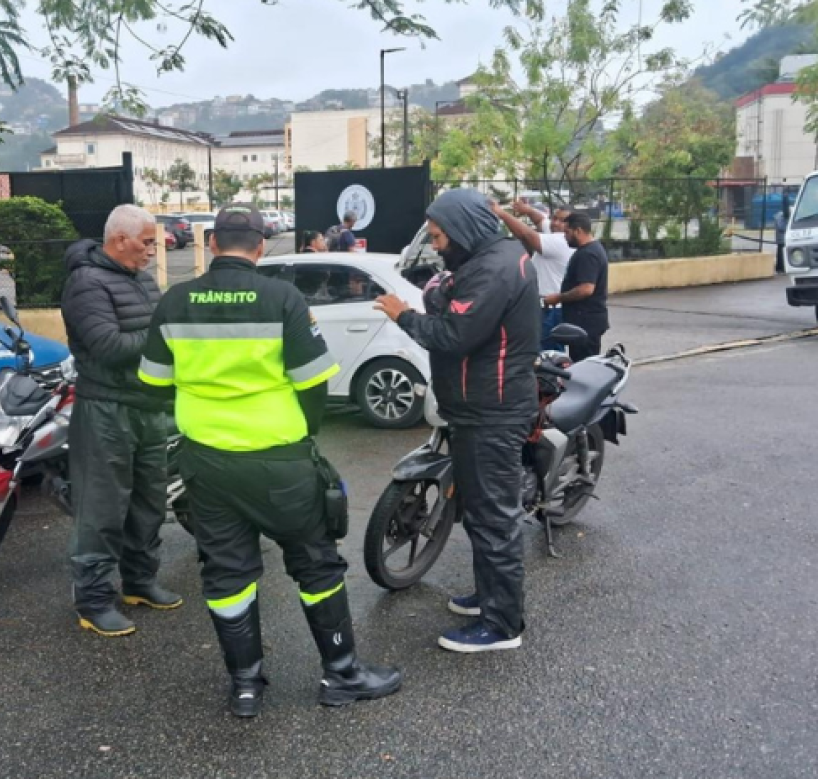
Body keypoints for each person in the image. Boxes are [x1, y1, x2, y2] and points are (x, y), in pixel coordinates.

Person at [138, 204, 400, 718]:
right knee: (315, 561)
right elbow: (313, 382)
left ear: (212, 244)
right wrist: (304, 431)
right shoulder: (282, 298)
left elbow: (153, 384)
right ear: (260, 247)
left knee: (226, 571)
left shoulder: (175, 300)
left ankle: (245, 685)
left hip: (207, 462)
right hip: (280, 459)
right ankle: (342, 674)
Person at [374, 189, 539, 654]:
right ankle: (491, 597)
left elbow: (453, 334)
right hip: (479, 408)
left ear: (463, 228)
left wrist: (404, 316)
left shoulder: (492, 269)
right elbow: (449, 300)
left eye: (439, 236)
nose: (436, 245)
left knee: (494, 520)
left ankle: (502, 625)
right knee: (481, 515)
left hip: (491, 413)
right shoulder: (490, 258)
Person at [60, 204, 182, 638]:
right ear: (120, 240)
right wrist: (166, 335)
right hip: (105, 410)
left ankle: (139, 582)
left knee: (149, 502)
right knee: (102, 508)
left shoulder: (143, 280)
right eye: (146, 242)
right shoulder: (86, 283)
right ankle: (93, 600)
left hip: (148, 406)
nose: (152, 250)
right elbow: (109, 346)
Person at [491, 199, 573, 350]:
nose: (555, 223)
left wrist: (500, 212)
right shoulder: (556, 232)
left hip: (550, 308)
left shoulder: (561, 242)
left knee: (548, 351)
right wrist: (528, 210)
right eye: (554, 218)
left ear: (571, 226)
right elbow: (541, 221)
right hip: (544, 305)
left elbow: (526, 235)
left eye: (562, 221)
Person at [542, 212, 609, 362]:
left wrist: (558, 298)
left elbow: (586, 289)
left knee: (584, 364)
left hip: (585, 322)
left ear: (578, 231)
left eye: (567, 232)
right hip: (583, 321)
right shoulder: (590, 250)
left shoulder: (588, 254)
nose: (564, 237)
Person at [775, 201, 789, 274]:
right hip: (781, 238)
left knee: (782, 254)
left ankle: (781, 268)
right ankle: (780, 268)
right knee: (781, 254)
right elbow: (781, 227)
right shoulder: (780, 216)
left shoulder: (782, 216)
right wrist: (789, 227)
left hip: (783, 238)